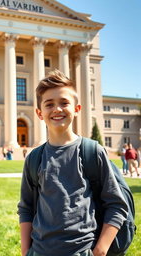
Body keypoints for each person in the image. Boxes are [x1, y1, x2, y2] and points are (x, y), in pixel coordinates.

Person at [17, 69, 128, 256]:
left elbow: (117, 204)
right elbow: (26, 207)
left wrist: (100, 251)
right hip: (40, 251)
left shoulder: (92, 151)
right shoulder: (34, 158)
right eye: (49, 104)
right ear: (39, 112)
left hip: (83, 251)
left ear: (77, 109)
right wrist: (26, 250)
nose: (57, 109)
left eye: (64, 102)